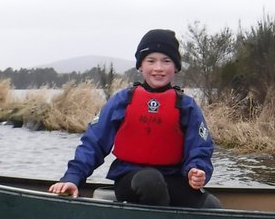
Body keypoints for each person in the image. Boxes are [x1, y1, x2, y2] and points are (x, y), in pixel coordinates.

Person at [48, 29, 216, 208]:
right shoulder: (122, 100)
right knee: (150, 180)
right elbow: (93, 143)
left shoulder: (187, 106)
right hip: (130, 180)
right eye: (151, 61)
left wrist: (196, 171)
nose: (158, 68)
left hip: (172, 179)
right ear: (140, 66)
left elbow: (200, 148)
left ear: (175, 67)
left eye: (166, 61)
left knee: (212, 206)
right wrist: (73, 178)